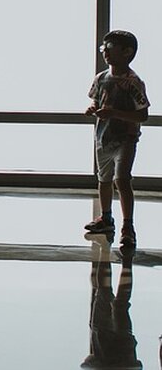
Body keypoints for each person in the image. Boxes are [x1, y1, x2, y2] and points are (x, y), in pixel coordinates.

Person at [84, 29, 148, 250]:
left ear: (127, 52)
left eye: (110, 48)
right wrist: (94, 109)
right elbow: (96, 99)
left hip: (126, 138)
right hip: (103, 137)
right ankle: (106, 218)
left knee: (122, 179)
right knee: (103, 180)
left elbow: (142, 115)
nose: (105, 53)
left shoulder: (133, 82)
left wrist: (113, 114)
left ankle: (128, 226)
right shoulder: (101, 78)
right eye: (104, 48)